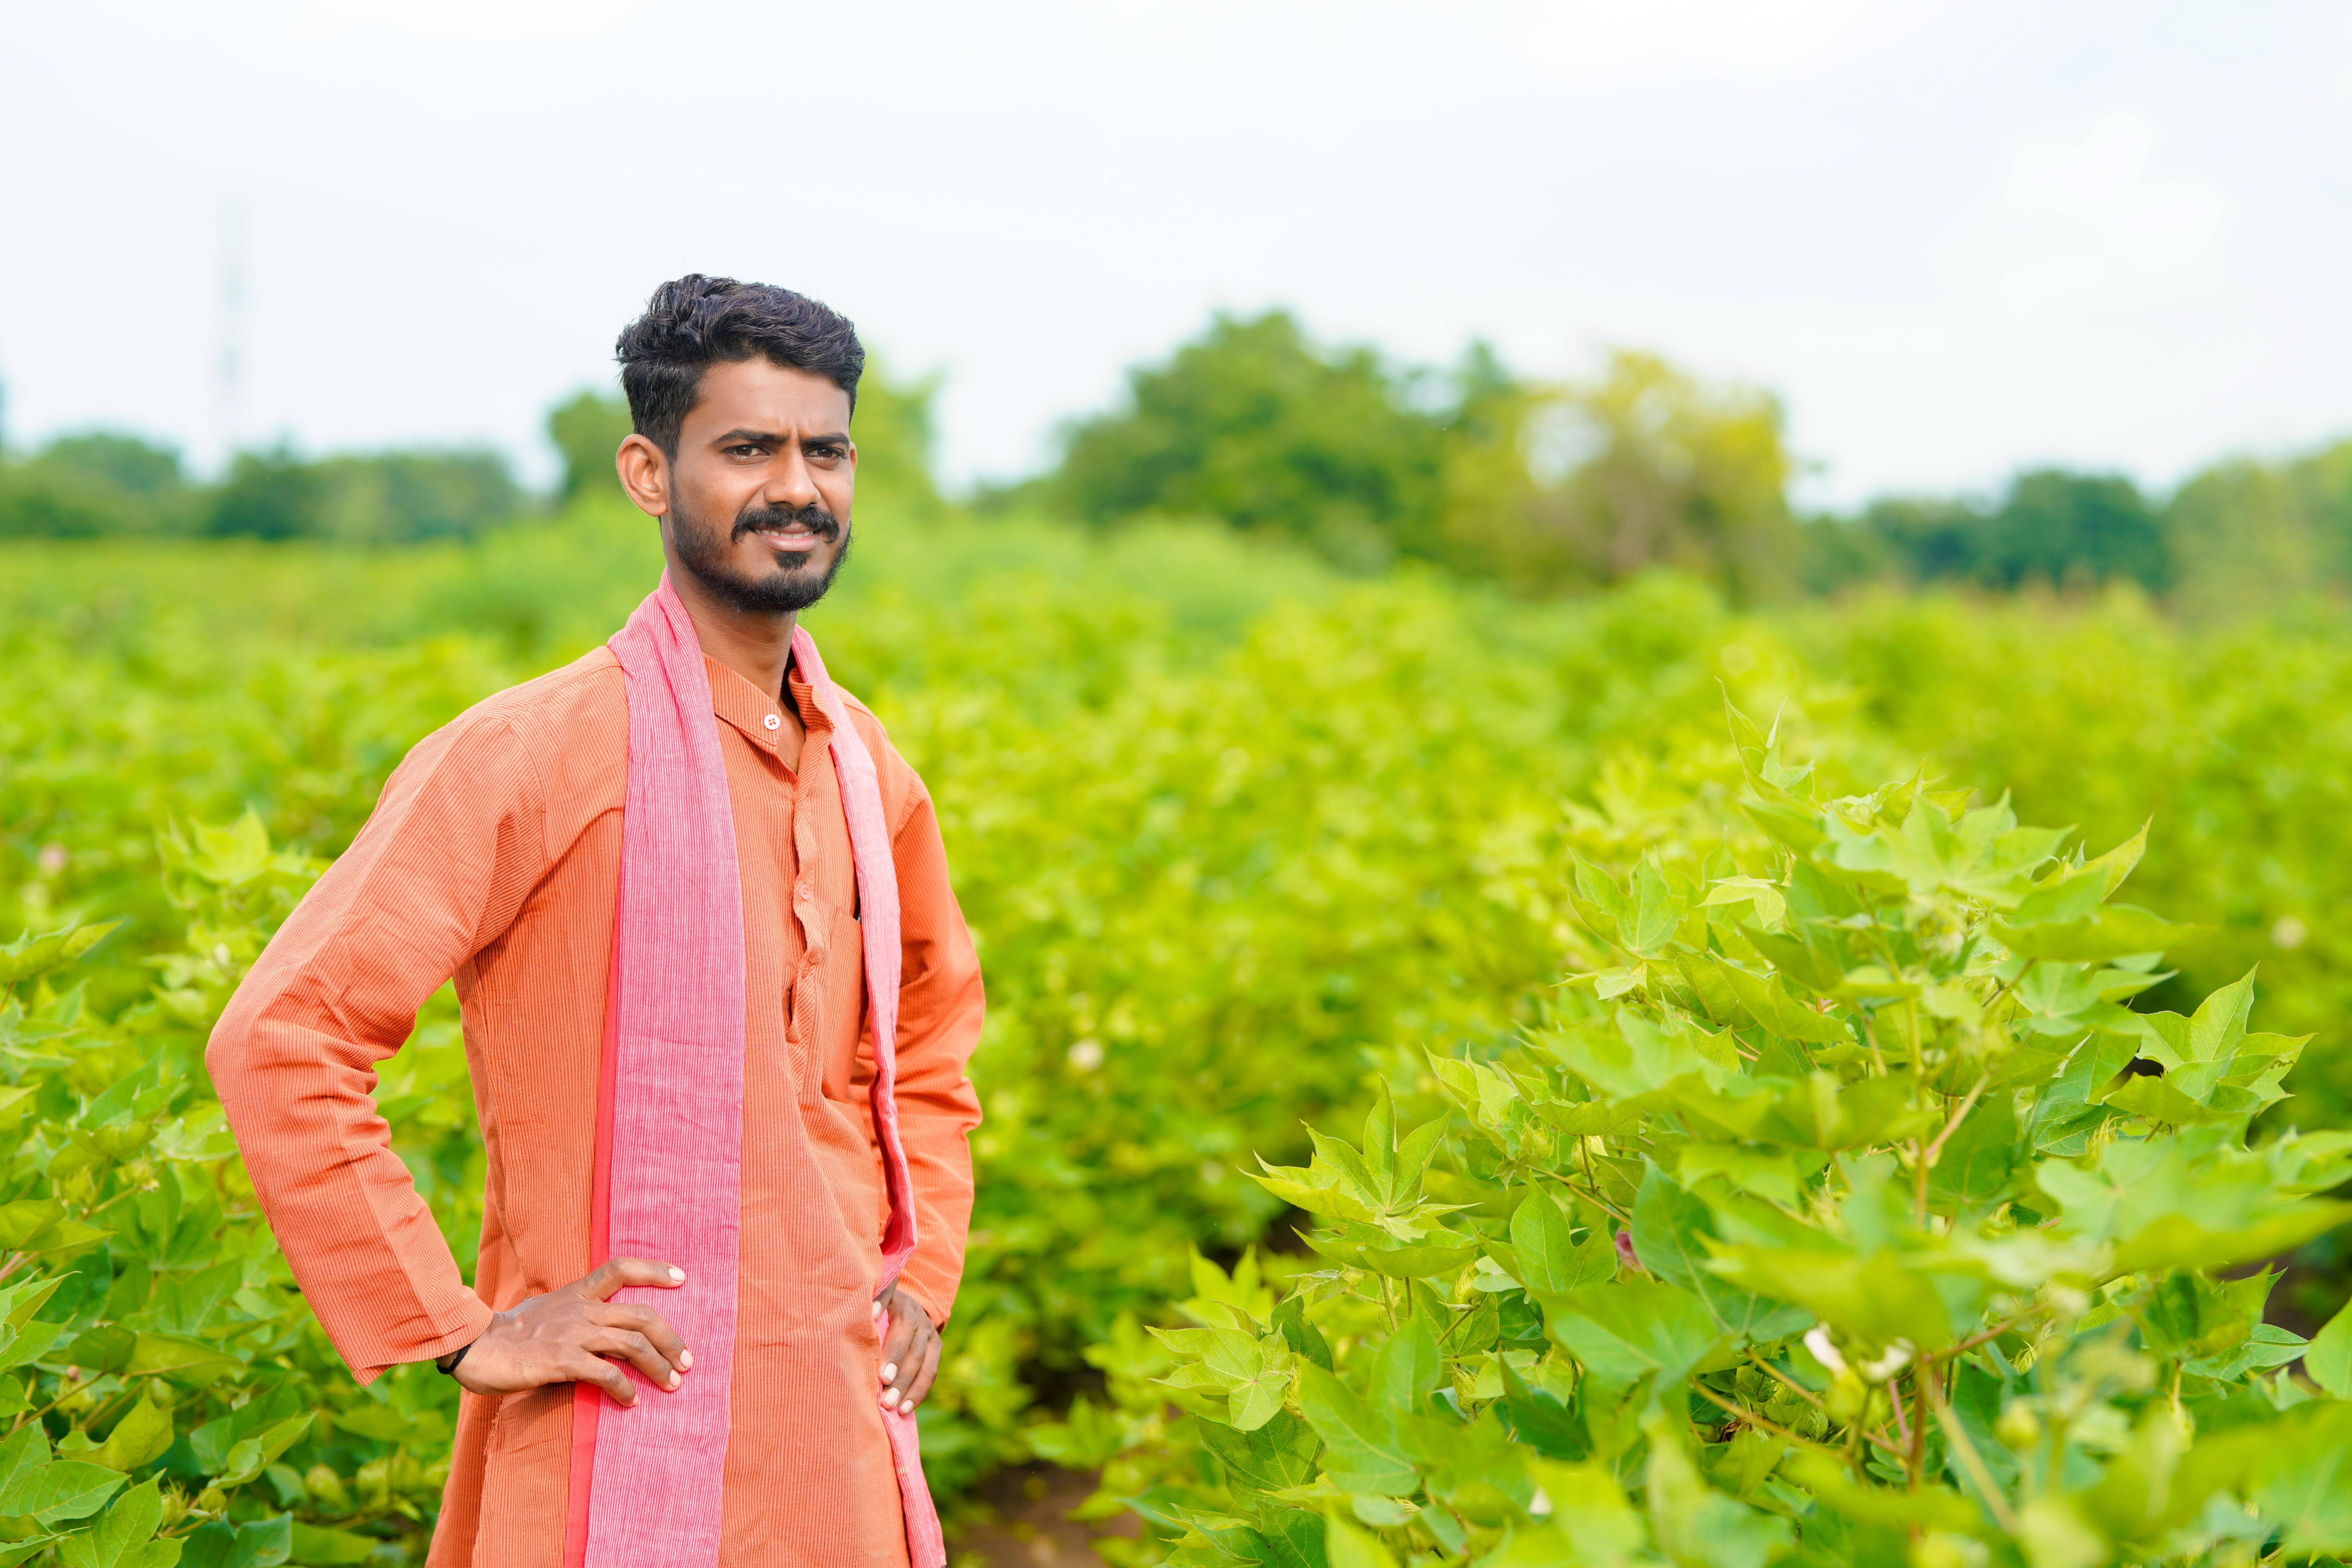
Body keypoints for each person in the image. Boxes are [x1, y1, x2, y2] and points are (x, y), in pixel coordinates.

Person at [208, 276, 985, 1568]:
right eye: (747, 448)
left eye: (825, 450)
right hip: (617, 1429)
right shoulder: (533, 754)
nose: (796, 486)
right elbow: (284, 1036)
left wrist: (926, 1275)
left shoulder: (867, 770)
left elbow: (928, 1051)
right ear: (648, 469)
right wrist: (460, 1327)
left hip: (837, 1434)